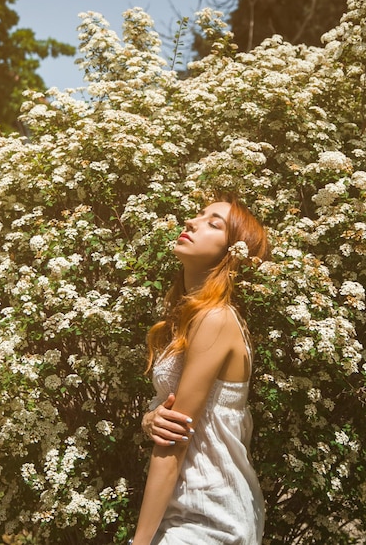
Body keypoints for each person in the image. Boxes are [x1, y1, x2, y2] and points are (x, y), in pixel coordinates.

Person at [132, 197, 271, 545]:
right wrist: (150, 419)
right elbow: (172, 415)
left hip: (211, 517)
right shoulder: (193, 317)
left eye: (215, 223)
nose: (193, 222)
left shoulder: (215, 319)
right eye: (199, 215)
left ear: (232, 252)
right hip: (185, 508)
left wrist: (139, 542)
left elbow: (175, 441)